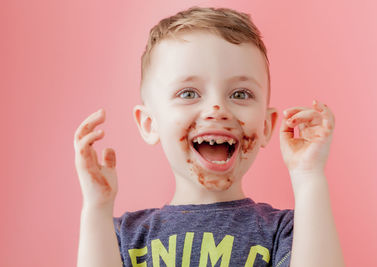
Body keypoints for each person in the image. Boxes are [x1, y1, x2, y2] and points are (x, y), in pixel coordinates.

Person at [74, 6, 344, 267]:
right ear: (149, 123)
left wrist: (308, 176)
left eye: (240, 94)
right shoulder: (124, 238)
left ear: (265, 125)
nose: (218, 110)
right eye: (189, 93)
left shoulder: (286, 233)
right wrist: (97, 208)